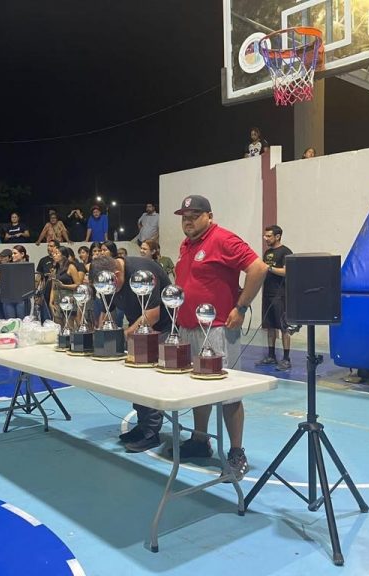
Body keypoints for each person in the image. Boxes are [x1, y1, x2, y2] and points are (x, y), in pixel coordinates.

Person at [172, 194, 267, 479]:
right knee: (199, 388)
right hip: (189, 327)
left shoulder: (223, 239)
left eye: (194, 215)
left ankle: (236, 451)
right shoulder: (187, 244)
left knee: (228, 394)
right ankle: (200, 440)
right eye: (184, 216)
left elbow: (258, 268)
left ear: (209, 216)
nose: (187, 220)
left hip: (218, 329)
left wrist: (242, 306)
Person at [91, 255, 172, 452]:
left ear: (117, 275)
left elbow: (153, 315)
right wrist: (102, 337)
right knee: (136, 378)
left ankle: (151, 431)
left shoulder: (142, 272)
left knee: (149, 380)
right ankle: (143, 425)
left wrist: (124, 334)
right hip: (138, 328)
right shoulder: (109, 280)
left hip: (162, 328)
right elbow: (106, 312)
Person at [255, 225, 294, 371]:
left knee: (284, 327)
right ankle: (271, 356)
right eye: (265, 236)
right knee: (270, 325)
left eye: (269, 236)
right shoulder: (268, 252)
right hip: (268, 293)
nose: (266, 238)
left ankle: (286, 358)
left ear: (277, 236)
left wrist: (269, 268)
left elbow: (287, 271)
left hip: (281, 295)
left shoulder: (286, 252)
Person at [50, 246, 82, 327]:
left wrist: (64, 286)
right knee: (58, 326)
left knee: (68, 326)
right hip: (57, 299)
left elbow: (78, 285)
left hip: (68, 298)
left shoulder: (71, 267)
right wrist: (51, 302)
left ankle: (71, 339)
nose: (54, 255)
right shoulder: (55, 268)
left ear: (64, 255)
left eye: (57, 253)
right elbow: (53, 286)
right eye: (53, 253)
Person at [2, 245, 32, 319]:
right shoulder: (8, 266)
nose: (12, 255)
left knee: (22, 324)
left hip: (22, 299)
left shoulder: (28, 266)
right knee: (11, 324)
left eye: (15, 253)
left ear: (22, 254)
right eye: (12, 253)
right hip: (8, 299)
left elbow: (29, 284)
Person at [35, 241, 59, 322]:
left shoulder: (61, 260)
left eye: (51, 246)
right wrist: (35, 290)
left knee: (57, 315)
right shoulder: (43, 260)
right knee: (45, 316)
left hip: (58, 290)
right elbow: (39, 276)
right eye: (48, 246)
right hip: (46, 290)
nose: (49, 248)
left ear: (57, 247)